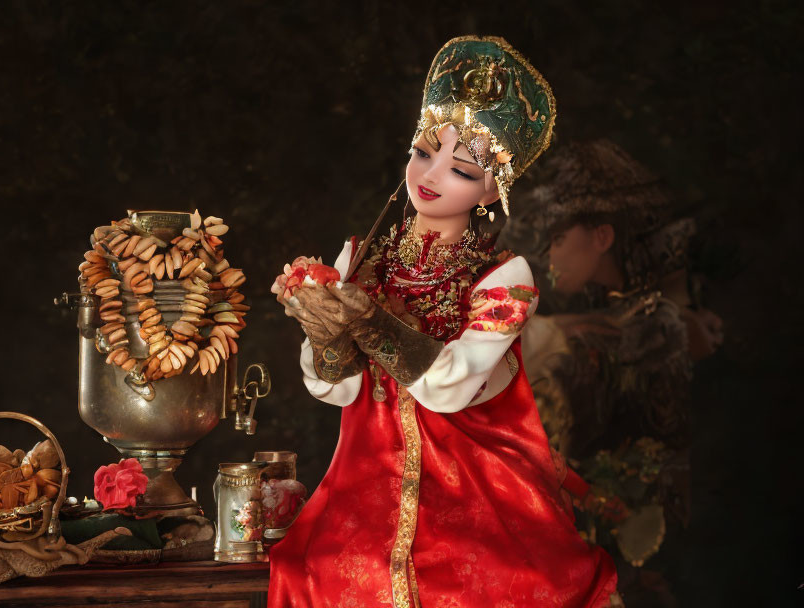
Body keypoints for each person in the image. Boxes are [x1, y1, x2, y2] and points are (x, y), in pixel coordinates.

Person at [268, 36, 621, 608]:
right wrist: (324, 332)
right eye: (423, 152)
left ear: (491, 190)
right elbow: (339, 389)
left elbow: (451, 388)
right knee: (322, 568)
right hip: (363, 489)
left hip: (479, 491)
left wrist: (371, 324)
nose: (430, 174)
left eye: (460, 167)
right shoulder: (358, 257)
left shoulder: (505, 278)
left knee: (488, 581)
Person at [501, 139, 720, 606]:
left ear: (602, 237)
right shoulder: (595, 312)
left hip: (642, 528)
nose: (552, 257)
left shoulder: (655, 323)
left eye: (560, 239)